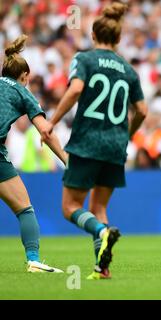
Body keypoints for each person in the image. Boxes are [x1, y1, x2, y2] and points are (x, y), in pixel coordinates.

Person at [41, 2, 148, 279]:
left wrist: (51, 122)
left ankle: (102, 231)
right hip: (115, 145)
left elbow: (76, 88)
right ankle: (102, 268)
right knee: (99, 207)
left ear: (93, 35)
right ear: (119, 38)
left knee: (70, 208)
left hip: (87, 141)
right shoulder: (128, 70)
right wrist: (127, 134)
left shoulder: (84, 59)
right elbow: (143, 110)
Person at [0, 35, 67, 273]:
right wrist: (67, 161)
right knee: (24, 209)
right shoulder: (22, 92)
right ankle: (33, 260)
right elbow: (46, 133)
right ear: (25, 76)